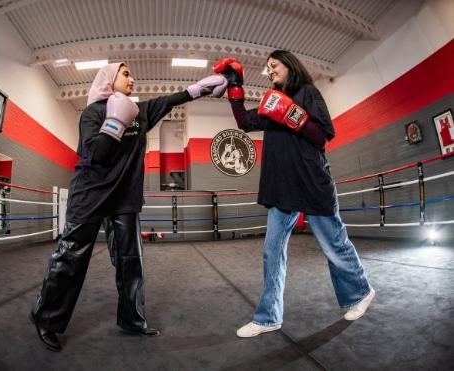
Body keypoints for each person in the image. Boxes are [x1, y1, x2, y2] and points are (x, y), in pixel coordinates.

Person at [29, 62, 227, 351]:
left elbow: (169, 100)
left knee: (130, 260)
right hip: (90, 194)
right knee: (71, 257)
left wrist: (199, 89)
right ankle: (46, 319)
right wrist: (114, 122)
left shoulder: (140, 113)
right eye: (125, 74)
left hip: (124, 198)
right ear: (109, 79)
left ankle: (132, 320)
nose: (132, 79)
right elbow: (96, 153)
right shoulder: (91, 114)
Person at [213, 51, 375, 338]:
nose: (270, 70)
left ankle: (360, 293)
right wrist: (235, 88)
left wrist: (293, 116)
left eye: (274, 65)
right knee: (272, 253)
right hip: (280, 186)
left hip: (312, 181)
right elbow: (243, 123)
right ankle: (268, 317)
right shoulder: (270, 101)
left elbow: (323, 137)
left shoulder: (307, 93)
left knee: (333, 245)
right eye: (268, 67)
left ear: (290, 65)